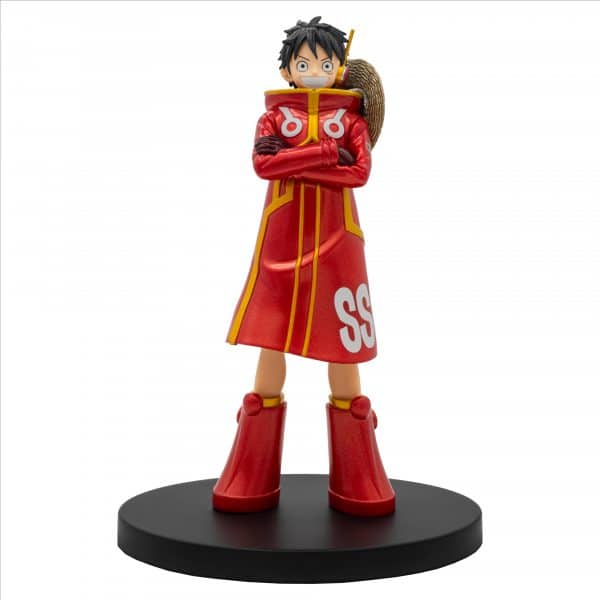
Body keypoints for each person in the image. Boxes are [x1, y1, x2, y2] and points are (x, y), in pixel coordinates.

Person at [212, 16, 395, 517]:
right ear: (288, 70)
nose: (314, 70)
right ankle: (251, 463)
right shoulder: (273, 118)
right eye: (304, 62)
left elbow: (358, 173)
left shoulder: (352, 122)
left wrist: (297, 160)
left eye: (325, 62)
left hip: (338, 242)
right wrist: (324, 153)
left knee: (343, 341)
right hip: (282, 239)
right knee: (271, 335)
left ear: (339, 69)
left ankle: (358, 466)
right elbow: (263, 165)